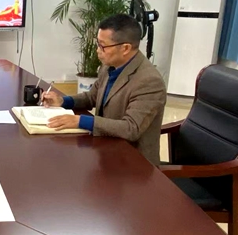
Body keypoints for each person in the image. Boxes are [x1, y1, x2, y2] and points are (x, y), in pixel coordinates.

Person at [42, 14, 167, 165]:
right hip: (105, 150)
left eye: (103, 46)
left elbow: (131, 128)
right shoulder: (109, 66)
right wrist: (63, 101)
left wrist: (80, 121)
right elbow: (92, 97)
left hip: (133, 164)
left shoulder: (149, 81)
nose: (97, 50)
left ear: (125, 48)